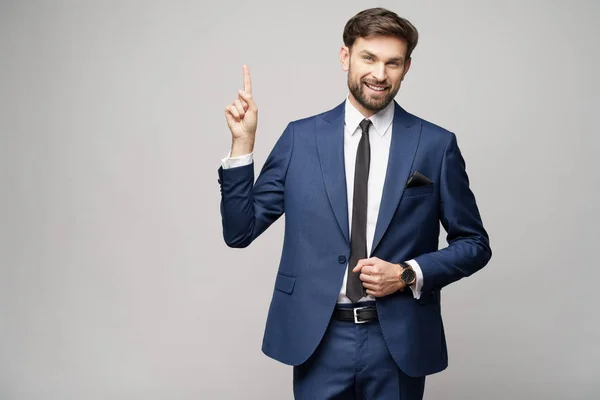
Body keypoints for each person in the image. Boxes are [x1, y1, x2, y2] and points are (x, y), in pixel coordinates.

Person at [217, 7, 491, 399]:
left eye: (392, 62)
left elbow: (475, 244)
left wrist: (407, 273)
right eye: (369, 58)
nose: (379, 74)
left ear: (406, 67)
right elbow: (239, 231)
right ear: (345, 56)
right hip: (318, 338)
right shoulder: (300, 138)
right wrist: (242, 145)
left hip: (398, 342)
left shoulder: (435, 145)